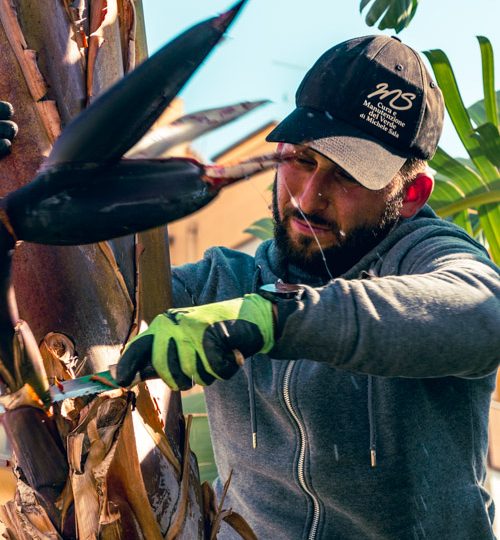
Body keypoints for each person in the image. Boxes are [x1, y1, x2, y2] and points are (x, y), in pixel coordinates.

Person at [116, 35, 500, 539]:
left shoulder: (427, 256)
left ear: (410, 194)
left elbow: (484, 313)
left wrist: (276, 317)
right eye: (301, 159)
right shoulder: (223, 285)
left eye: (348, 175)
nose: (309, 196)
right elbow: (72, 303)